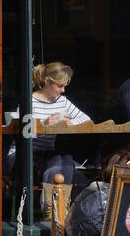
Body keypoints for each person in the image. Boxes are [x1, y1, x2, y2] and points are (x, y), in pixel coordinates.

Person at [30, 62, 92, 190]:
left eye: (64, 86)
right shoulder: (29, 101)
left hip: (48, 152)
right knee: (57, 167)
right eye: (59, 86)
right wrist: (44, 125)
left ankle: (61, 204)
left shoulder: (62, 101)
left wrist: (71, 122)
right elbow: (23, 133)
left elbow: (86, 119)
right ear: (47, 81)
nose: (63, 90)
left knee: (68, 164)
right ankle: (51, 206)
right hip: (27, 152)